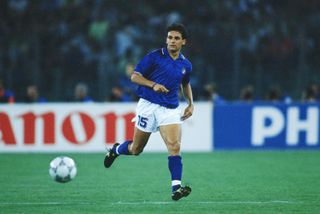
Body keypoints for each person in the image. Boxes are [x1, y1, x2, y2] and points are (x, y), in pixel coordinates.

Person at [104, 23, 194, 201]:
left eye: (176, 38)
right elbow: (134, 76)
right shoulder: (154, 57)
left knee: (174, 146)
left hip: (170, 109)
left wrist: (190, 103)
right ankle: (115, 150)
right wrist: (153, 85)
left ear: (184, 41)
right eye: (169, 37)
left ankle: (176, 188)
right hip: (148, 106)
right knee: (136, 149)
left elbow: (185, 83)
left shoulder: (186, 65)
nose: (172, 41)